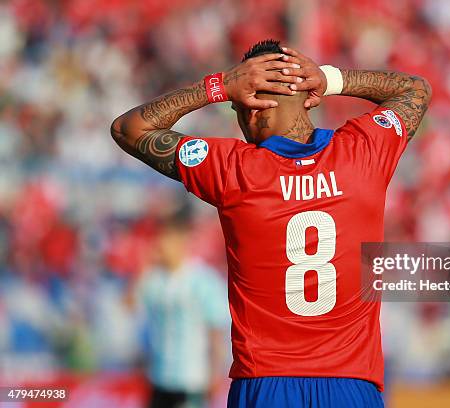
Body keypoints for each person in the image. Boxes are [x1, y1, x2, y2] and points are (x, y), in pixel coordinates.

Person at [111, 39, 431, 407]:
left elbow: (128, 129)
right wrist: (329, 78)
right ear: (309, 98)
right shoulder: (363, 153)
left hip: (266, 385)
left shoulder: (233, 170)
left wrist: (218, 86)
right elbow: (416, 89)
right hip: (351, 385)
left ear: (251, 110)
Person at [135, 219, 227, 408]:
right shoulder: (154, 278)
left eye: (166, 239)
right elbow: (128, 305)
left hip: (190, 378)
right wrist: (143, 267)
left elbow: (216, 330)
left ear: (181, 242)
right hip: (158, 376)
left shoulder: (202, 279)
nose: (160, 245)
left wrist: (215, 372)